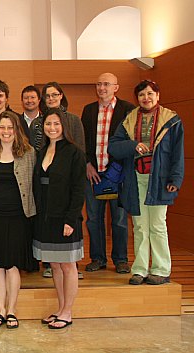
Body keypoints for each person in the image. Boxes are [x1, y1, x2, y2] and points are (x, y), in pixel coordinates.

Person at [109, 80, 184, 286]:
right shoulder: (129, 119)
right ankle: (140, 269)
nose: (146, 98)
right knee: (140, 225)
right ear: (137, 98)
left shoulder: (172, 120)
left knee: (158, 225)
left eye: (150, 94)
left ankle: (161, 269)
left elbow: (178, 154)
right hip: (136, 178)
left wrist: (175, 179)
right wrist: (134, 146)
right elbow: (113, 147)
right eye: (142, 95)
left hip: (160, 180)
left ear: (157, 95)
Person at [0, 111, 37, 329]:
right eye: (2, 127)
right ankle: (0, 310)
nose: (6, 132)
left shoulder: (29, 153)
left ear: (17, 129)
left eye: (10, 127)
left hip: (18, 217)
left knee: (12, 265)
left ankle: (12, 310)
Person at [33, 108, 86, 329]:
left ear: (64, 125)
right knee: (54, 265)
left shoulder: (75, 153)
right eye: (48, 124)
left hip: (65, 218)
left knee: (68, 266)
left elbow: (78, 189)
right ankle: (60, 307)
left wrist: (71, 219)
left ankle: (68, 311)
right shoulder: (42, 150)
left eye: (56, 124)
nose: (52, 128)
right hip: (45, 217)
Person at [81, 73, 135, 274]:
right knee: (94, 218)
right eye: (99, 84)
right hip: (93, 173)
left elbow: (129, 141)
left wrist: (117, 168)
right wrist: (87, 163)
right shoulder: (88, 110)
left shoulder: (128, 109)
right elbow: (83, 140)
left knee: (119, 219)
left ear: (116, 87)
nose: (102, 87)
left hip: (118, 173)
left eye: (106, 84)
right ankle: (97, 258)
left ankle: (121, 259)